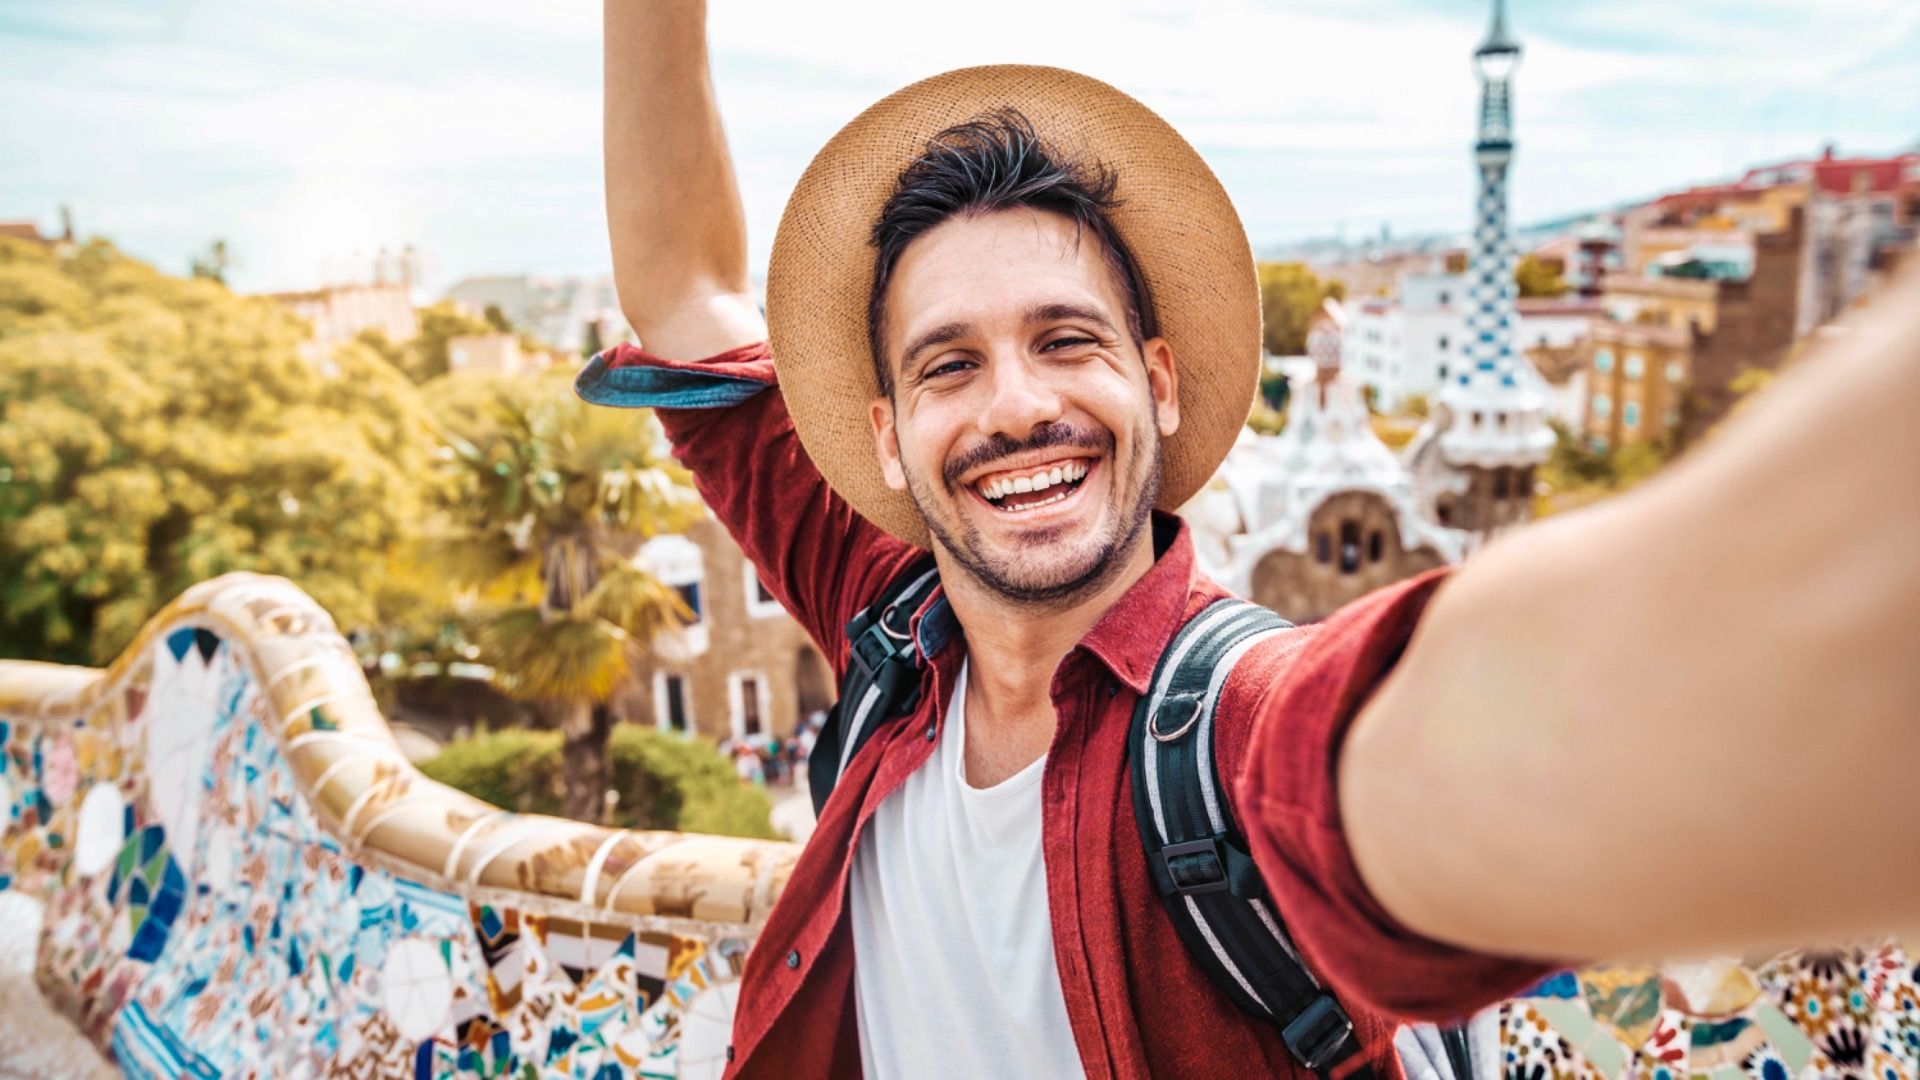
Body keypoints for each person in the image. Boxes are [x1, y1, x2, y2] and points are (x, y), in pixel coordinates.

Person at [587, 4, 1920, 1077]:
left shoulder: (1234, 741)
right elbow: (685, 284)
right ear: (886, 437)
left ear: (1158, 381)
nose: (1016, 407)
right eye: (949, 366)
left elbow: (1527, 738)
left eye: (1068, 340)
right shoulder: (891, 618)